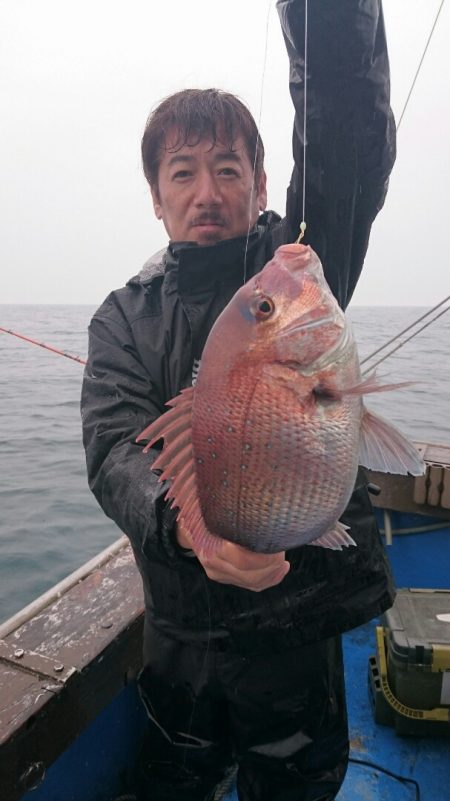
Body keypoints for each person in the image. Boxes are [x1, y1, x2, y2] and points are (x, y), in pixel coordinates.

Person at [81, 2, 396, 799]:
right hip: (180, 643)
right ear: (156, 195)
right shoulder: (123, 316)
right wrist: (189, 525)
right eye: (182, 172)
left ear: (261, 183)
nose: (207, 190)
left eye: (229, 168)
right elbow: (114, 450)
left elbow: (346, 136)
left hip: (297, 645)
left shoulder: (299, 269)